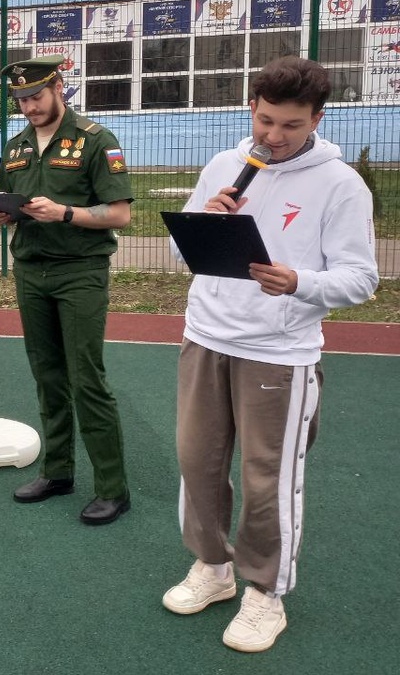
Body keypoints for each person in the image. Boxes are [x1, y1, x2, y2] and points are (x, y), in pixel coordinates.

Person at [162, 58, 378, 653]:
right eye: (265, 121)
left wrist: (300, 282)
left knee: (267, 480)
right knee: (197, 463)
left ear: (317, 119)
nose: (274, 136)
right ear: (251, 108)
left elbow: (362, 279)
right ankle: (213, 567)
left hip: (279, 353)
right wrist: (204, 222)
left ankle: (265, 593)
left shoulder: (340, 184)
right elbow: (185, 249)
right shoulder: (223, 165)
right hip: (206, 337)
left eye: (291, 125)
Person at [0, 54, 133, 525]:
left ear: (58, 87)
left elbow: (120, 214)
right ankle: (57, 472)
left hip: (79, 272)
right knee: (47, 376)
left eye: (36, 96)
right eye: (21, 99)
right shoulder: (16, 147)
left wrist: (65, 212)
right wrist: (1, 213)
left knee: (86, 379)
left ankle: (113, 488)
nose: (29, 107)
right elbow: (12, 205)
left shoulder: (95, 140)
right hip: (31, 271)